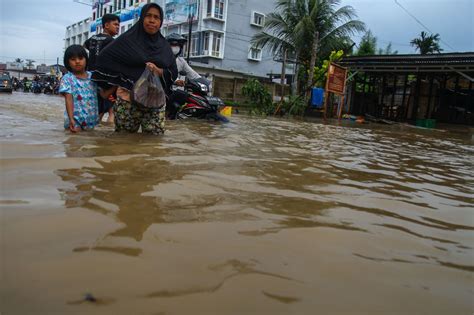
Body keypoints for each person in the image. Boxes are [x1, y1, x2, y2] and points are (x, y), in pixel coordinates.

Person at [92, 3, 177, 135]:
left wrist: (157, 71)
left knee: (154, 144)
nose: (152, 20)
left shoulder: (164, 46)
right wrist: (119, 80)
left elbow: (173, 71)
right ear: (142, 18)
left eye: (156, 17)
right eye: (148, 16)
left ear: (160, 22)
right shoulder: (127, 40)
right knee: (123, 143)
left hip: (155, 102)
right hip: (128, 100)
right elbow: (104, 59)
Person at [60, 45, 113, 133]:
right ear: (67, 62)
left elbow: (104, 95)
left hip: (91, 121)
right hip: (75, 120)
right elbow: (68, 100)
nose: (77, 61)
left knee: (89, 144)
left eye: (80, 58)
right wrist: (71, 120)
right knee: (74, 144)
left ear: (86, 60)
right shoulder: (67, 78)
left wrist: (116, 85)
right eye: (73, 59)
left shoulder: (93, 77)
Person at [84, 14, 120, 123]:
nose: (118, 27)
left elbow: (84, 47)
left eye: (118, 25)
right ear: (106, 25)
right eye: (115, 24)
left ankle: (93, 130)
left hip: (92, 77)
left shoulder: (92, 38)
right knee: (112, 110)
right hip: (106, 79)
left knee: (99, 107)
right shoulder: (112, 41)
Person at [165, 33, 202, 119]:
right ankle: (165, 115)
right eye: (173, 45)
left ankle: (174, 116)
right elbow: (164, 72)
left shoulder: (180, 61)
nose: (175, 47)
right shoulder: (161, 58)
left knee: (184, 95)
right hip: (159, 90)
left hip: (171, 90)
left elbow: (192, 73)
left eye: (178, 45)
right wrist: (176, 80)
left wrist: (202, 81)